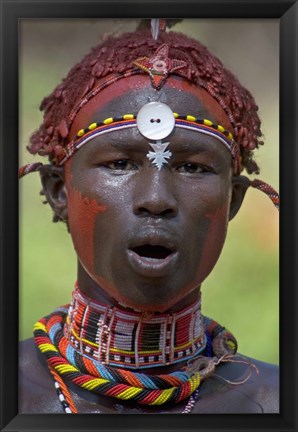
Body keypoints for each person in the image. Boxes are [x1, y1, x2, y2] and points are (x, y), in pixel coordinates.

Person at [18, 19, 279, 414]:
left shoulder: (272, 402)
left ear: (234, 201)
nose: (156, 199)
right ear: (59, 192)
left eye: (192, 168)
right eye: (120, 163)